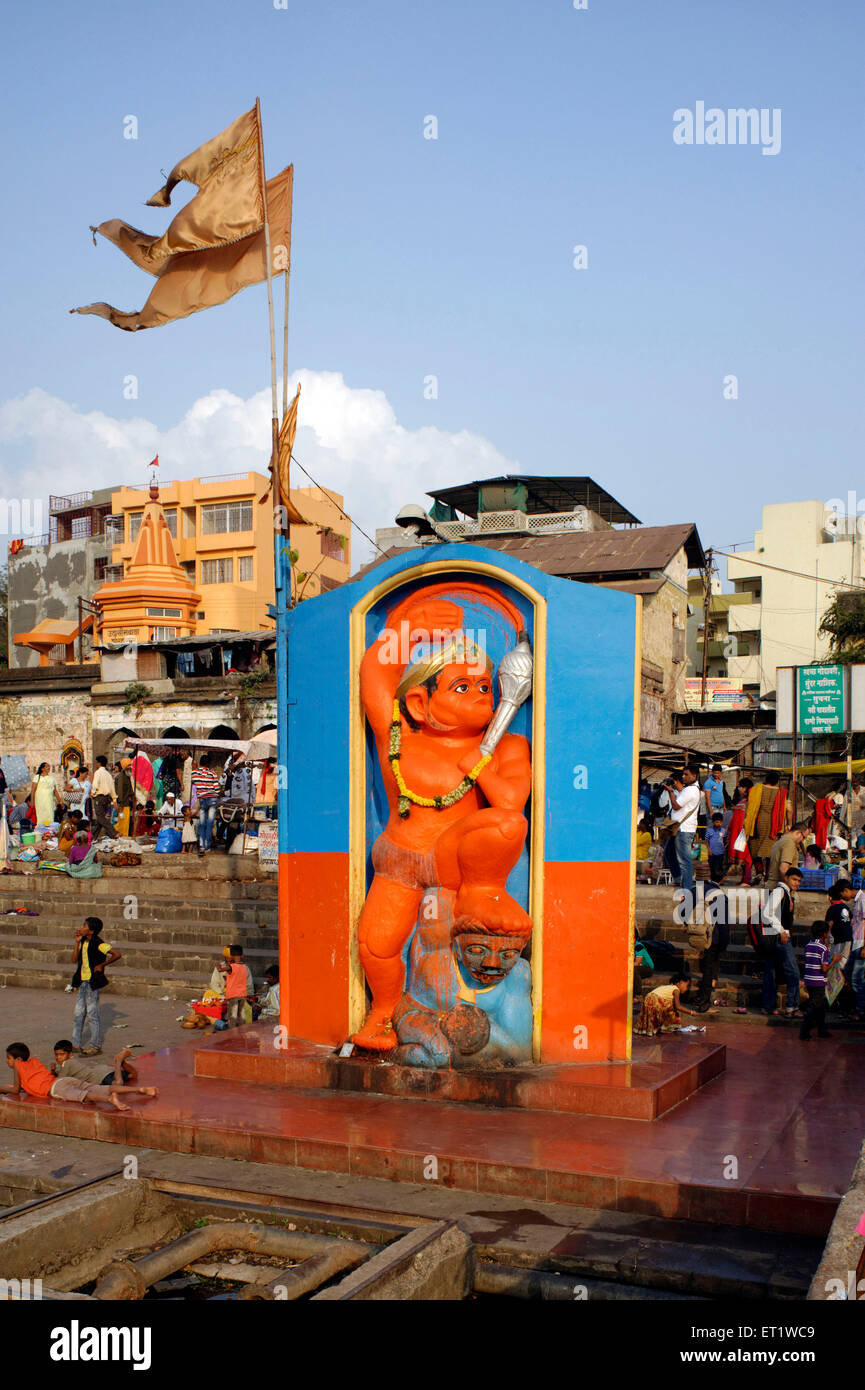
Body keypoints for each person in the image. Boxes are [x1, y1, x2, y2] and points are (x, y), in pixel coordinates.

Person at [1, 1043, 155, 1112]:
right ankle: (139, 1089)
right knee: (99, 1088)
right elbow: (29, 1084)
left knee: (84, 1096)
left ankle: (109, 1100)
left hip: (56, 1088)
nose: (7, 1061)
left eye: (8, 1058)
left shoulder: (18, 1066)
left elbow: (15, 1089)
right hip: (61, 1080)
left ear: (18, 1060)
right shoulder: (34, 1061)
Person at [71, 917, 121, 1055]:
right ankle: (75, 1044)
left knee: (92, 1014)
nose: (81, 927)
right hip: (82, 981)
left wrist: (101, 965)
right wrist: (76, 943)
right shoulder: (82, 941)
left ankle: (95, 1045)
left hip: (92, 983)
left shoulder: (99, 943)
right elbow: (74, 959)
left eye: (84, 925)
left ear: (91, 930)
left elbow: (117, 954)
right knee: (78, 1014)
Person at [760, 866, 803, 1017]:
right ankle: (792, 1006)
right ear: (787, 878)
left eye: (799, 881)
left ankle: (769, 1006)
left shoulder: (788, 894)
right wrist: (782, 930)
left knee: (771, 972)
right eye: (794, 879)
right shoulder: (780, 891)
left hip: (775, 936)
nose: (797, 883)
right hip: (779, 937)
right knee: (793, 971)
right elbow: (767, 912)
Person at [692, 883, 729, 1012]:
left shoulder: (694, 890)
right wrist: (724, 945)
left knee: (708, 967)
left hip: (701, 935)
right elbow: (724, 925)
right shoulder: (720, 896)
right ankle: (704, 1004)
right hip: (714, 938)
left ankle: (703, 996)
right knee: (709, 969)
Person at [668, 766, 701, 901]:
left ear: (694, 776)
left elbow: (676, 806)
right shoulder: (689, 790)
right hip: (678, 827)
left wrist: (670, 792)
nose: (683, 777)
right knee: (669, 853)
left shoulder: (691, 790)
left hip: (684, 829)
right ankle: (677, 878)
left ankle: (686, 890)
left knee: (684, 861)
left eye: (686, 774)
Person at [799, 923, 837, 1041]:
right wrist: (834, 961)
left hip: (809, 980)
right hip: (818, 981)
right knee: (814, 1007)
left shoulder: (808, 945)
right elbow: (824, 968)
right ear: (824, 934)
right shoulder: (823, 948)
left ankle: (822, 1030)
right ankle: (804, 1031)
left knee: (819, 1007)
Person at [53, 1040, 139, 1087]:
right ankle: (122, 1061)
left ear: (70, 1054)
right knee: (133, 1075)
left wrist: (52, 1072)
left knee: (118, 1085)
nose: (58, 1057)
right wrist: (54, 1070)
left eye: (62, 1054)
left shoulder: (68, 1063)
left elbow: (59, 1081)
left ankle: (118, 1061)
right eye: (56, 1055)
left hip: (100, 1077)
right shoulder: (70, 1062)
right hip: (104, 1070)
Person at [765, 821, 809, 891]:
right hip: (779, 890)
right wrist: (787, 890)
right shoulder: (789, 843)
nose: (802, 841)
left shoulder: (780, 841)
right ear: (798, 833)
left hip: (773, 887)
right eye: (804, 837)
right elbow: (783, 868)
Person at [217, 944, 254, 1028]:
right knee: (241, 1015)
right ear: (242, 956)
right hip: (242, 995)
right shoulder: (244, 967)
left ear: (232, 957)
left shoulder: (230, 967)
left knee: (232, 1016)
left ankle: (232, 1032)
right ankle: (242, 1031)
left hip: (233, 996)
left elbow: (220, 970)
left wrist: (219, 967)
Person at [192, 754, 221, 855]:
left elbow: (194, 783)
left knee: (202, 824)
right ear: (208, 763)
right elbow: (217, 789)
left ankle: (201, 846)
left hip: (202, 800)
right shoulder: (212, 773)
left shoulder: (194, 773)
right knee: (209, 824)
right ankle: (207, 846)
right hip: (212, 799)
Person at [90, 756, 118, 840]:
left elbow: (95, 785)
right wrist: (114, 799)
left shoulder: (98, 772)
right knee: (100, 819)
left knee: (101, 818)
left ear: (99, 763)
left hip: (99, 797)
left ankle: (114, 833)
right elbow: (112, 788)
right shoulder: (108, 774)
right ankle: (92, 837)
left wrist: (92, 793)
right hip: (107, 798)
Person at [32, 762, 61, 827]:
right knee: (41, 814)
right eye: (47, 766)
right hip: (40, 799)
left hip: (49, 799)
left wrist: (60, 801)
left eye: (49, 766)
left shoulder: (52, 778)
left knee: (49, 813)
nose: (49, 767)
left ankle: (49, 830)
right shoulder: (37, 777)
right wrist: (32, 801)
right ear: (42, 768)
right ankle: (40, 828)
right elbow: (33, 790)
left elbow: (55, 791)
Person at [705, 813, 726, 881]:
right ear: (713, 822)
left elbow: (725, 839)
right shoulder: (709, 831)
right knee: (712, 867)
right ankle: (713, 880)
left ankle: (719, 880)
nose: (718, 824)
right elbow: (706, 841)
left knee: (719, 867)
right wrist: (709, 849)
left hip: (720, 853)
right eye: (717, 822)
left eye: (720, 822)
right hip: (712, 853)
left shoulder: (723, 831)